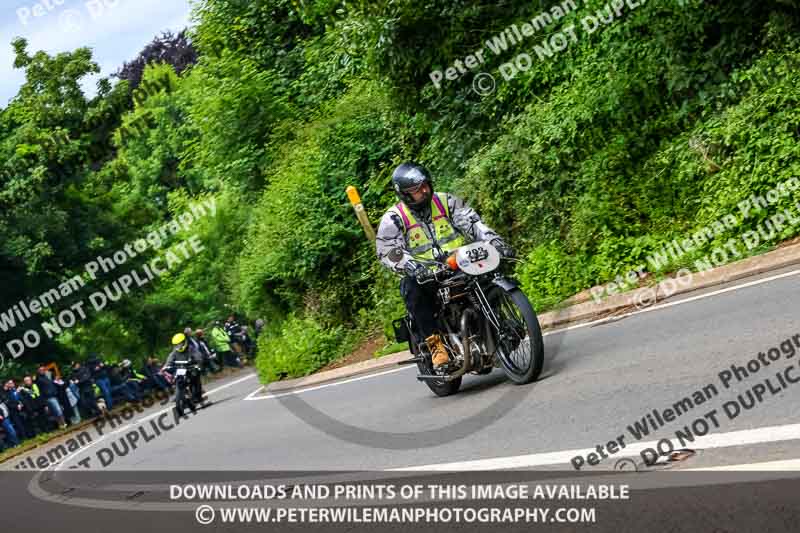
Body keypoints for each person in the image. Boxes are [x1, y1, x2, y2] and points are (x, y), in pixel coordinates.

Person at [375, 162, 515, 368]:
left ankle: (499, 324)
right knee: (409, 286)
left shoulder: (445, 201)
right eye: (417, 190)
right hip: (427, 275)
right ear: (404, 194)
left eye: (425, 185)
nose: (424, 191)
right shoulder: (394, 218)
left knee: (491, 275)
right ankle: (436, 345)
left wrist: (494, 241)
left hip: (460, 263)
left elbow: (473, 222)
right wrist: (411, 266)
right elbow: (387, 250)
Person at [163, 333, 205, 403]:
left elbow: (198, 356)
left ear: (184, 342)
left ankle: (198, 396)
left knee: (195, 379)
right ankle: (178, 395)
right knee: (176, 379)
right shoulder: (174, 352)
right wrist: (166, 366)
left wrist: (198, 362)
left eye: (180, 344)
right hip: (180, 369)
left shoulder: (191, 348)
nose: (178, 346)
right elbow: (170, 359)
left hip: (191, 368)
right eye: (176, 345)